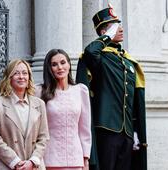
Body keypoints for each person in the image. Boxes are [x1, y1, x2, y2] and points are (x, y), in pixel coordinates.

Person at [76, 5, 147, 170]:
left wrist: (135, 131)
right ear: (103, 33)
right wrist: (108, 36)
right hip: (107, 128)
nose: (121, 29)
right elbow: (90, 52)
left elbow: (133, 101)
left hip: (127, 132)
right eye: (114, 26)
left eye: (119, 25)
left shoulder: (128, 61)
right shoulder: (100, 58)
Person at [35, 49, 92, 170]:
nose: (59, 67)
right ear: (49, 68)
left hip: (76, 160)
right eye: (54, 64)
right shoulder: (39, 91)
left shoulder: (81, 91)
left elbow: (85, 129)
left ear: (69, 64)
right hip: (49, 160)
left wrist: (86, 158)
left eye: (63, 62)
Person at [0, 59, 50, 170]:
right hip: (5, 165)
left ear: (29, 77)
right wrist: (16, 162)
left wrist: (32, 161)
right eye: (16, 73)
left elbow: (44, 137)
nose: (21, 77)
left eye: (24, 73)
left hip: (34, 166)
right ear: (9, 78)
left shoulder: (39, 104)